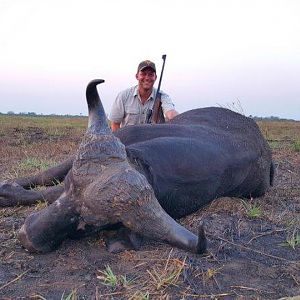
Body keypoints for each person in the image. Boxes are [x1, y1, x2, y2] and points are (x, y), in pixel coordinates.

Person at [109, 60, 179, 132]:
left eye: (151, 74)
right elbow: (115, 124)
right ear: (137, 76)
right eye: (143, 74)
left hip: (155, 141)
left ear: (155, 77)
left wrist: (181, 120)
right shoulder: (123, 96)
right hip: (129, 142)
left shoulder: (163, 96)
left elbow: (171, 113)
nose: (147, 78)